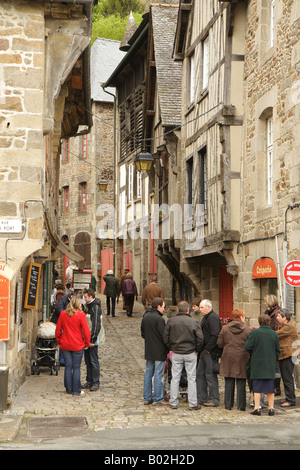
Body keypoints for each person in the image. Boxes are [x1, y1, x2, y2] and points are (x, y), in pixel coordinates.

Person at [163, 300, 204, 410]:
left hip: (176, 352)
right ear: (187, 310)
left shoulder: (171, 321)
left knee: (175, 378)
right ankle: (193, 403)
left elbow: (165, 337)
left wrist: (171, 347)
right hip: (190, 352)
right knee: (191, 379)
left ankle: (173, 402)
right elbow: (200, 338)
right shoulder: (193, 322)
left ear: (178, 310)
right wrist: (196, 349)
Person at [245, 313, 280, 416]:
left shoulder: (255, 333)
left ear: (259, 322)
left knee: (257, 387)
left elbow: (247, 347)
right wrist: (273, 359)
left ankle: (257, 408)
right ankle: (271, 408)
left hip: (257, 363)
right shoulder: (274, 334)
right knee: (270, 387)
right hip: (269, 363)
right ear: (269, 322)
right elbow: (278, 350)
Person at [55, 295, 91, 396]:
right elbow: (86, 331)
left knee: (68, 366)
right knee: (76, 368)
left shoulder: (63, 314)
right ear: (78, 304)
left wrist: (59, 341)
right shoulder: (81, 315)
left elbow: (58, 330)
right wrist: (87, 343)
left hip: (66, 344)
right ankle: (76, 390)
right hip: (77, 345)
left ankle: (68, 388)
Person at [217, 309, 251, 411]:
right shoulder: (248, 330)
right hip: (242, 356)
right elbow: (250, 345)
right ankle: (241, 406)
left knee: (229, 379)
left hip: (228, 356)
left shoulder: (225, 329)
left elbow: (219, 343)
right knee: (241, 381)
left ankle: (228, 404)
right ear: (241, 317)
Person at [141, 297, 169, 406]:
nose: (164, 309)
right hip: (159, 350)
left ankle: (147, 397)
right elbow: (164, 336)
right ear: (158, 306)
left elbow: (143, 333)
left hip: (149, 349)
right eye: (163, 307)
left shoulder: (146, 317)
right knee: (158, 374)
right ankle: (158, 398)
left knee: (148, 373)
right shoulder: (159, 319)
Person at [196, 299, 221, 407]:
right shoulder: (206, 317)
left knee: (210, 375)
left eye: (202, 307)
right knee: (200, 374)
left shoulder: (212, 317)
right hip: (204, 350)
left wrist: (208, 349)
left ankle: (214, 399)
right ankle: (201, 398)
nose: (200, 310)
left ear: (208, 307)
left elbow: (215, 334)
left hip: (209, 352)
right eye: (200, 307)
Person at [277, 309, 298, 408]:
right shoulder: (284, 326)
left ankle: (291, 400)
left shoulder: (288, 327)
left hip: (288, 355)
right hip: (285, 354)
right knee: (285, 377)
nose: (277, 318)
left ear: (284, 318)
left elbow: (276, 334)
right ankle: (288, 397)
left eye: (279, 316)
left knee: (287, 377)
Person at [83, 288, 102, 391]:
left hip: (92, 339)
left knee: (93, 360)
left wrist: (92, 339)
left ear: (91, 296)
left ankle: (95, 382)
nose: (84, 299)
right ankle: (89, 380)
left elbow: (96, 324)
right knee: (88, 360)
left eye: (85, 297)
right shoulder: (88, 306)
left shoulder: (95, 307)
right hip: (87, 338)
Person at [264, 294, 281, 395]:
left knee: (276, 366)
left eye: (266, 301)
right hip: (271, 341)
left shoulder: (275, 314)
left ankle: (276, 388)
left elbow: (275, 328)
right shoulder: (270, 312)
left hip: (274, 342)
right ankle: (273, 386)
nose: (264, 303)